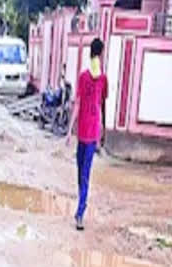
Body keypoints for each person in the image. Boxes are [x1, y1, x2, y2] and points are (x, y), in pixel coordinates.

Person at [65, 38, 108, 231]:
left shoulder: (99, 79)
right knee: (80, 173)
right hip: (84, 133)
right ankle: (80, 207)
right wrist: (70, 131)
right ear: (100, 54)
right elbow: (85, 104)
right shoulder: (88, 78)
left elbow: (97, 105)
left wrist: (102, 129)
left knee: (84, 175)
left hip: (89, 134)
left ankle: (81, 212)